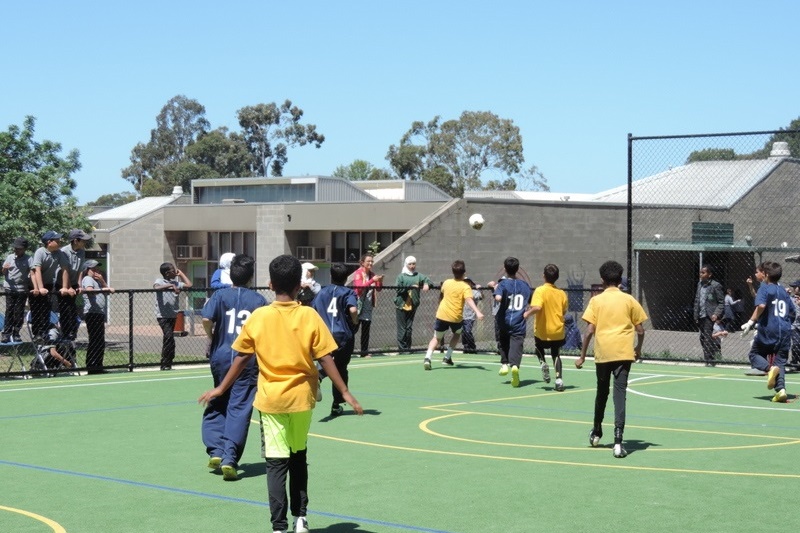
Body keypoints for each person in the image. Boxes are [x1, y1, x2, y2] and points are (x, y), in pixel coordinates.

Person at [198, 254, 363, 533]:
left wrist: (221, 387)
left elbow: (240, 357)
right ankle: (301, 518)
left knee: (275, 463)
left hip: (271, 399)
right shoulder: (309, 315)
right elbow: (325, 358)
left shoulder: (260, 316)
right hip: (301, 398)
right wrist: (345, 391)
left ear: (271, 284)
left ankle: (278, 526)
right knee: (298, 455)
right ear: (300, 285)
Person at [201, 254, 267, 480]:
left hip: (221, 356)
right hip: (246, 360)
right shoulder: (258, 301)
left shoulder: (220, 296)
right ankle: (230, 457)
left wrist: (212, 337)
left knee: (218, 401)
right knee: (239, 407)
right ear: (251, 277)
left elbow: (206, 319)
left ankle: (215, 450)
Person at [575, 260, 647, 459]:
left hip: (603, 353)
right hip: (624, 353)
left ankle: (597, 431)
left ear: (602, 280)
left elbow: (589, 331)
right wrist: (638, 349)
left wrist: (582, 356)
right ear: (620, 278)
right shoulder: (629, 300)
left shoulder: (596, 301)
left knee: (601, 393)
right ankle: (618, 441)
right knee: (619, 395)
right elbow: (641, 330)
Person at [740, 261, 795, 403]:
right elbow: (792, 312)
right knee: (780, 362)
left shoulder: (765, 288)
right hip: (785, 331)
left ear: (766, 274)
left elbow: (762, 305)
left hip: (769, 329)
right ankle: (781, 391)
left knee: (754, 354)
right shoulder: (783, 291)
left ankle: (769, 369)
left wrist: (751, 322)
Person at [311, 262, 359, 416]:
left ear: (331, 276)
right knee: (341, 367)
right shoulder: (348, 293)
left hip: (324, 334)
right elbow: (352, 309)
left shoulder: (321, 292)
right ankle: (336, 404)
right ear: (346, 278)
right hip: (342, 334)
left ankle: (319, 375)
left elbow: (313, 310)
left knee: (328, 360)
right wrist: (355, 320)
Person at [422, 259, 484, 370]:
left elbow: (442, 295)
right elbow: (469, 300)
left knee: (436, 337)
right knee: (457, 333)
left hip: (442, 314)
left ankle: (427, 357)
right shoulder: (465, 286)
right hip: (455, 317)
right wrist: (478, 312)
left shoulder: (446, 282)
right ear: (464, 272)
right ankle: (447, 357)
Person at [527, 263, 569, 391]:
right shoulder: (561, 293)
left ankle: (543, 363)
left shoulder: (540, 290)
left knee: (538, 348)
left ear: (543, 276)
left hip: (542, 330)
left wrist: (526, 313)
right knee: (556, 354)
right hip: (557, 330)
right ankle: (559, 380)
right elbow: (564, 311)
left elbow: (537, 307)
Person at [493, 257, 533, 387]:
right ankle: (515, 365)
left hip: (504, 319)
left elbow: (498, 298)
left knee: (502, 340)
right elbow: (532, 301)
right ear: (517, 269)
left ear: (505, 269)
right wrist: (527, 312)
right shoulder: (525, 285)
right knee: (517, 344)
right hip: (518, 320)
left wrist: (495, 289)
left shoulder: (503, 284)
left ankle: (504, 364)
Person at [30, 231, 71, 341]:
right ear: (49, 242)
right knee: (37, 309)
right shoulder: (40, 252)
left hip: (48, 284)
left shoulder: (59, 253)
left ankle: (44, 332)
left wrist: (65, 287)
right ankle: (37, 334)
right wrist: (40, 288)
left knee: (46, 309)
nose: (59, 242)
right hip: (35, 285)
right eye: (57, 240)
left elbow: (65, 269)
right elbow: (36, 270)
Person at [154, 262, 192, 370]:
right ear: (167, 273)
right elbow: (157, 288)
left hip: (173, 315)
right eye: (173, 270)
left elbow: (189, 285)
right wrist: (171, 285)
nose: (175, 271)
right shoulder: (160, 281)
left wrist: (181, 274)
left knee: (169, 338)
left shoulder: (176, 282)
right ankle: (165, 363)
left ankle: (168, 362)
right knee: (169, 336)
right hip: (162, 316)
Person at [58, 229, 92, 342]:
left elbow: (80, 270)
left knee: (73, 310)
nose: (85, 243)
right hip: (61, 283)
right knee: (65, 309)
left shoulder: (82, 251)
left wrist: (79, 285)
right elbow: (65, 271)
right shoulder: (64, 251)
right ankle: (65, 333)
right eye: (83, 240)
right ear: (76, 241)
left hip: (73, 283)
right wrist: (68, 288)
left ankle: (72, 332)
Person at [81, 260, 115, 374]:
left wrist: (102, 281)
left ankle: (98, 365)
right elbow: (90, 291)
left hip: (99, 313)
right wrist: (103, 289)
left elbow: (108, 291)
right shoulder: (88, 279)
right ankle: (92, 366)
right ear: (87, 270)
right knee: (95, 340)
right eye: (93, 269)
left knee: (100, 341)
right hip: (92, 313)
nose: (96, 271)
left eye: (97, 269)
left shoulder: (97, 281)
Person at [394, 255, 432, 353]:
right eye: (410, 264)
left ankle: (408, 348)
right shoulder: (401, 276)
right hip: (401, 305)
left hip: (413, 305)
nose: (412, 266)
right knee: (402, 328)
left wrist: (426, 284)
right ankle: (402, 349)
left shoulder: (418, 275)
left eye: (414, 264)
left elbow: (427, 280)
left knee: (409, 328)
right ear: (406, 265)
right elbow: (398, 289)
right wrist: (409, 286)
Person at [693, 264, 725, 367]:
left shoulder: (715, 285)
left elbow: (721, 302)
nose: (701, 274)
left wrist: (716, 314)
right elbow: (697, 299)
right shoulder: (700, 284)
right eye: (700, 272)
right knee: (703, 337)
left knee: (707, 337)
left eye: (703, 272)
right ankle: (711, 357)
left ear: (709, 274)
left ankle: (709, 360)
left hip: (709, 316)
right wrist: (696, 314)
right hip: (700, 315)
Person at [2, 237, 32, 343]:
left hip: (22, 288)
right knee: (9, 310)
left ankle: (16, 333)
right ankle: (6, 333)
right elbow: (3, 272)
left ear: (24, 249)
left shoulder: (29, 259)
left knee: (19, 312)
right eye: (15, 248)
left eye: (19, 248)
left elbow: (33, 272)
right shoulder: (10, 257)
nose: (16, 250)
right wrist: (4, 269)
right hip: (10, 287)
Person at [352, 253, 383, 357]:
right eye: (368, 261)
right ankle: (348, 350)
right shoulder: (358, 273)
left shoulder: (372, 275)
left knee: (366, 330)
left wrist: (380, 281)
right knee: (353, 329)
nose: (370, 263)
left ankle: (364, 352)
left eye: (372, 261)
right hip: (357, 305)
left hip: (368, 307)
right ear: (362, 263)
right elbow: (359, 287)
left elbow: (378, 289)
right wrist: (371, 281)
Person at [460, 277, 482, 354]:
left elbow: (480, 296)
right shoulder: (461, 290)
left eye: (467, 282)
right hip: (461, 315)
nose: (465, 283)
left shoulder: (474, 292)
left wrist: (478, 289)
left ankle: (472, 347)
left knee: (467, 331)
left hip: (469, 316)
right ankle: (466, 347)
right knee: (463, 332)